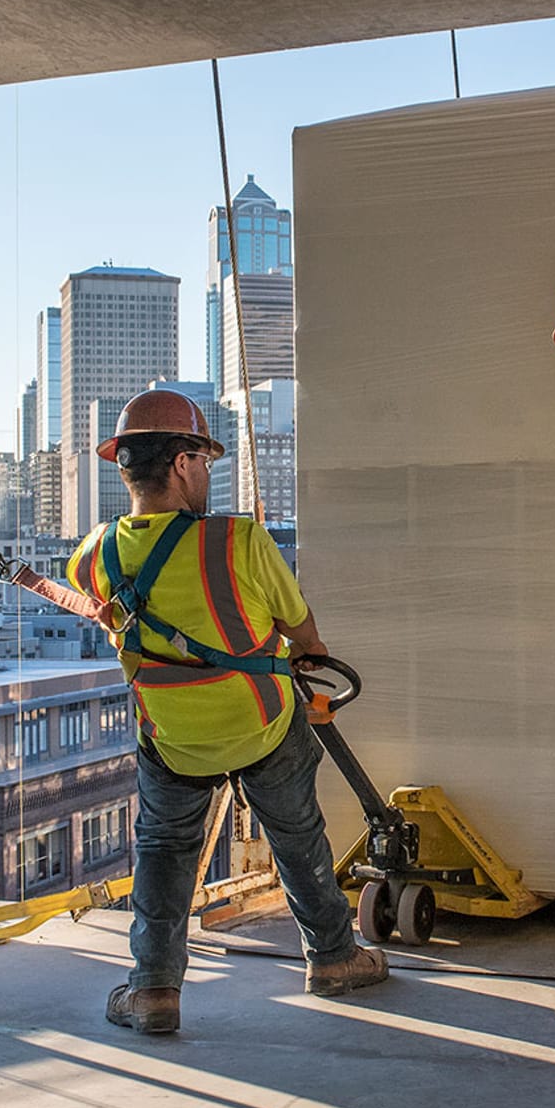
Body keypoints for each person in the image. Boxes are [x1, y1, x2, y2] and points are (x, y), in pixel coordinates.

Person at [67, 388, 388, 1034]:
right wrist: (307, 650)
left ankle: (154, 987)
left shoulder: (94, 557)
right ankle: (331, 957)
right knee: (297, 836)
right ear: (182, 463)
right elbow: (302, 632)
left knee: (161, 849)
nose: (208, 474)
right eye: (205, 461)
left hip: (173, 740)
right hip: (260, 726)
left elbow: (104, 615)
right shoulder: (237, 541)